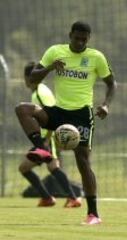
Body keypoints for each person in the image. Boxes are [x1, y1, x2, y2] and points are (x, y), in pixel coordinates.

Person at [15, 21, 116, 225]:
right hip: (59, 112)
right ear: (70, 35)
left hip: (81, 115)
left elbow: (111, 83)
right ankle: (40, 149)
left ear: (88, 39)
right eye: (76, 37)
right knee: (22, 109)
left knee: (83, 161)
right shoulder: (55, 51)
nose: (79, 42)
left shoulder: (96, 57)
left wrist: (106, 105)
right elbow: (34, 76)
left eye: (84, 39)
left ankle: (93, 214)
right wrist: (51, 67)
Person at [19, 62, 81, 208]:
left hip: (46, 138)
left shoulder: (39, 93)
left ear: (29, 77)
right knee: (32, 167)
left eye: (25, 77)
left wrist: (46, 141)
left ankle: (69, 198)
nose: (25, 81)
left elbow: (52, 115)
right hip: (45, 138)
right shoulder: (41, 90)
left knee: (50, 167)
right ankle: (50, 198)